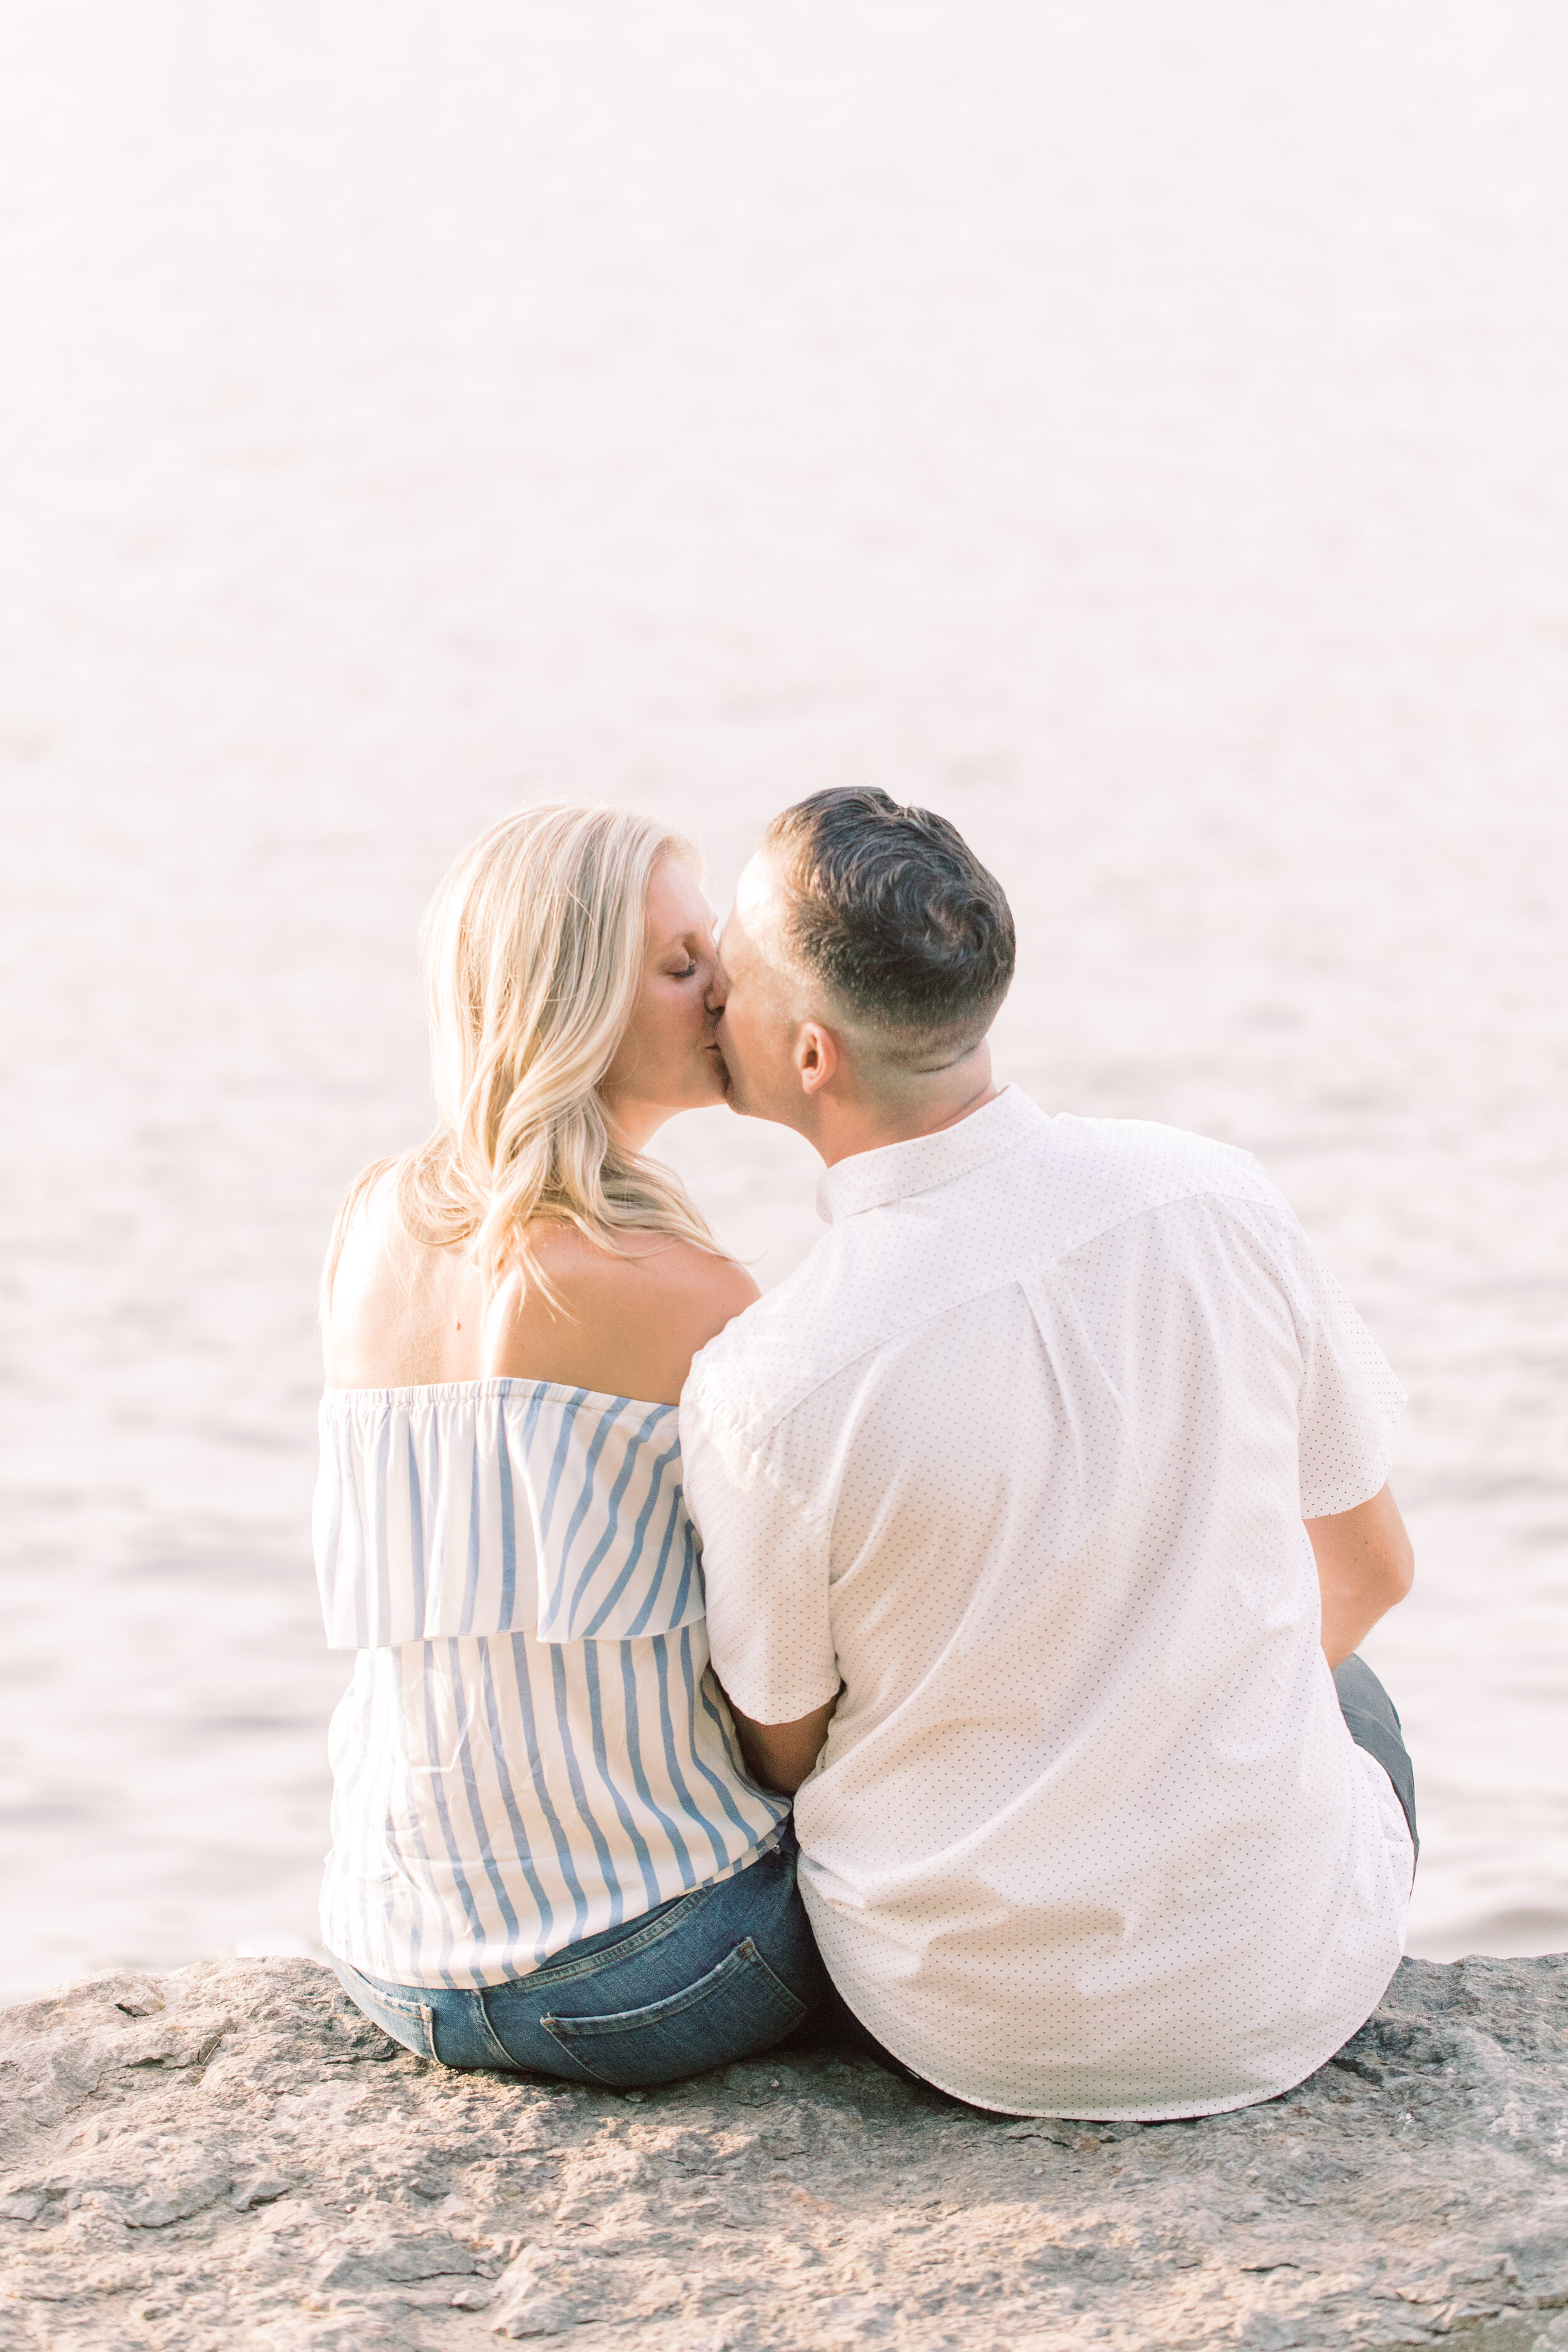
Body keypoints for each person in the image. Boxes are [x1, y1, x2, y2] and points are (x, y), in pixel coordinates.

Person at [681, 786, 1418, 2122]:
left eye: (729, 961)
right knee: (1351, 1701)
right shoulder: (1216, 1195)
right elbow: (1367, 1570)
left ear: (805, 1057)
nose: (707, 984)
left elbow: (779, 1752)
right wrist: (1166, 1722)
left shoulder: (768, 1381)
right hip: (1283, 1991)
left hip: (968, 2022)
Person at [314, 803, 825, 2084]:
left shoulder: (369, 1222)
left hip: (395, 1959)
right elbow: (782, 1709)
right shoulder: (687, 1290)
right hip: (648, 1968)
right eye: (679, 967)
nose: (728, 990)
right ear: (568, 1007)